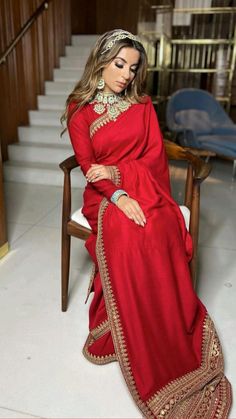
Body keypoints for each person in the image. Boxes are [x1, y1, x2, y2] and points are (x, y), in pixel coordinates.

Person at [62, 29, 232, 418]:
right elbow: (89, 168)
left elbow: (155, 161)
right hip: (103, 197)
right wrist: (119, 194)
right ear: (102, 60)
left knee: (159, 228)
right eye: (119, 64)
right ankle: (127, 328)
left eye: (133, 68)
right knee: (128, 232)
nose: (125, 74)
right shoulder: (80, 108)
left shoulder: (141, 105)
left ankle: (164, 326)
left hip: (146, 189)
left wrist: (123, 176)